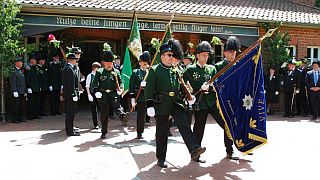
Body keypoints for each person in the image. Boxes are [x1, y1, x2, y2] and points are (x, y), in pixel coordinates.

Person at [145, 41, 205, 168]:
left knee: (184, 123)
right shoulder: (155, 70)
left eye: (172, 55)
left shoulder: (175, 70)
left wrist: (188, 97)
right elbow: (149, 89)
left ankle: (194, 148)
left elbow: (180, 86)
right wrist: (149, 105)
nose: (171, 57)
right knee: (162, 131)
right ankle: (161, 158)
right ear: (162, 56)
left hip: (176, 102)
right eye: (168, 55)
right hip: (161, 103)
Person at [185, 38, 240, 161]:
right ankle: (196, 152)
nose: (205, 58)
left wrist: (209, 88)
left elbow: (216, 84)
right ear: (197, 55)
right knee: (199, 128)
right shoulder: (190, 69)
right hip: (200, 103)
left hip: (213, 102)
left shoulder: (212, 69)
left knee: (227, 124)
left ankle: (229, 150)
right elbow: (183, 84)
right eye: (203, 55)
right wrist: (190, 94)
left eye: (207, 55)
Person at [92, 49, 129, 139]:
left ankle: (123, 116)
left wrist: (121, 88)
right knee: (104, 114)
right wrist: (96, 91)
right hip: (103, 95)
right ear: (103, 62)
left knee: (117, 105)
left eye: (110, 62)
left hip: (113, 93)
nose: (109, 64)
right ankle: (103, 132)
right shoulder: (99, 72)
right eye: (107, 62)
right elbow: (94, 83)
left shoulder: (116, 72)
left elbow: (121, 82)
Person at [129, 51, 150, 139]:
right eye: (143, 61)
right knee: (141, 116)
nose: (145, 63)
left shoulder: (150, 72)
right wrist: (132, 98)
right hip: (140, 97)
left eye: (146, 62)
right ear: (140, 62)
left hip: (148, 97)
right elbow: (131, 86)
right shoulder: (136, 72)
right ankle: (139, 132)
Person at [62, 53, 80, 136]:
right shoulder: (69, 69)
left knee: (71, 113)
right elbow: (70, 84)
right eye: (74, 60)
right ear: (71, 60)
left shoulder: (69, 68)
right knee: (70, 113)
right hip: (70, 95)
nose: (75, 61)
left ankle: (71, 128)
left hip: (70, 94)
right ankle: (69, 131)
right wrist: (73, 94)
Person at [9, 56, 27, 123]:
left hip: (21, 91)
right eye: (21, 62)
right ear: (17, 63)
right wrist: (14, 91)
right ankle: (14, 118)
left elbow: (23, 82)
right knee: (15, 106)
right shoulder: (13, 71)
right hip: (17, 91)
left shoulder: (20, 71)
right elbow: (12, 82)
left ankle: (20, 117)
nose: (22, 63)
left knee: (21, 106)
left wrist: (25, 90)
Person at [25, 52, 41, 120]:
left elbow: (38, 78)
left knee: (36, 102)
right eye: (34, 60)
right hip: (31, 88)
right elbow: (27, 78)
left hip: (36, 87)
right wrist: (28, 87)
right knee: (31, 103)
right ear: (31, 60)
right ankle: (30, 115)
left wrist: (39, 86)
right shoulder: (28, 68)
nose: (35, 61)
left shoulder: (36, 67)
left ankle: (35, 114)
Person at [85, 62, 101, 129]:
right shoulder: (90, 76)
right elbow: (87, 86)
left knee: (102, 108)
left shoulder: (100, 75)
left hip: (99, 94)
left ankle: (103, 122)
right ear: (94, 68)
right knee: (94, 109)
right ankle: (96, 124)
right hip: (92, 94)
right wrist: (89, 94)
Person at [38, 52, 49, 116]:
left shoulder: (44, 68)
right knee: (40, 100)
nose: (44, 61)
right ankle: (39, 112)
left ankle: (42, 112)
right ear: (40, 61)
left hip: (45, 86)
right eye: (43, 60)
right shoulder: (38, 68)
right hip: (40, 87)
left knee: (44, 100)